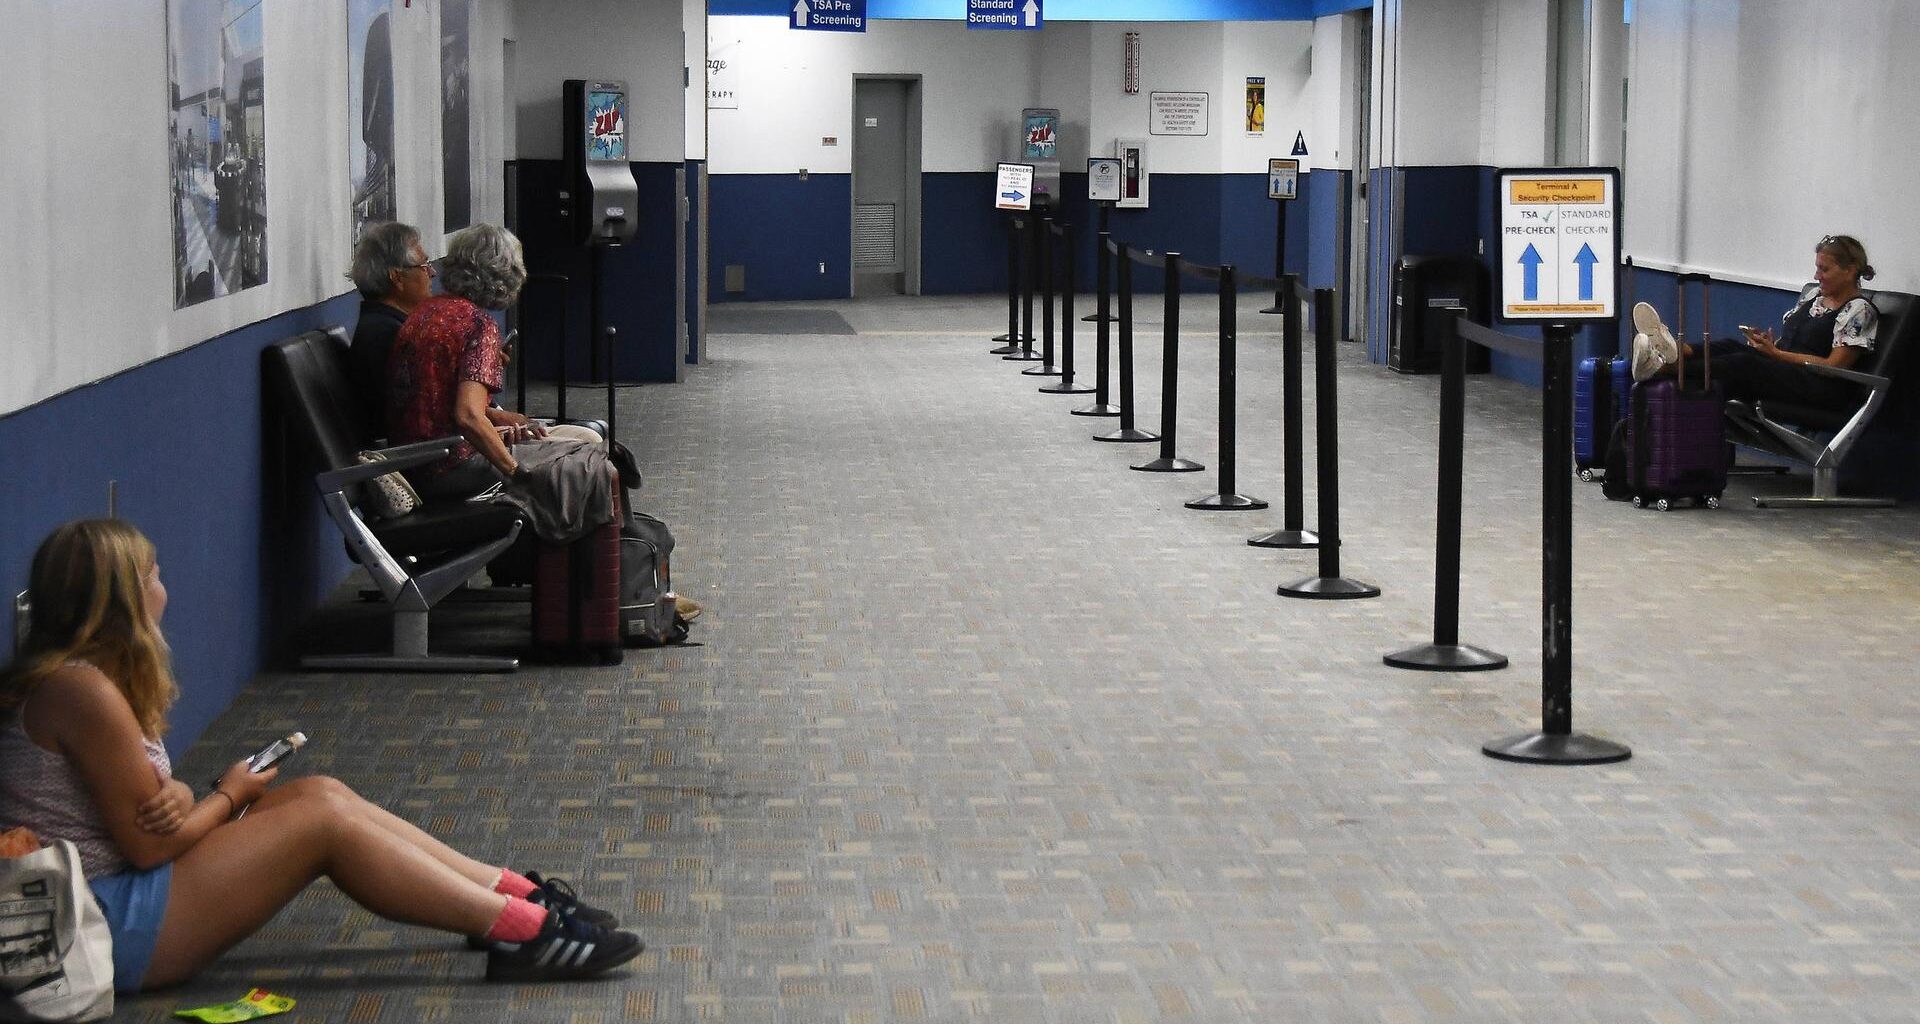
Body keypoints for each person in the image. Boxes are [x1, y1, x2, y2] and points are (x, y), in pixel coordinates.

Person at [0, 520, 645, 992]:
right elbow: (148, 847)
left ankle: (513, 895)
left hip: (116, 896)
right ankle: (522, 932)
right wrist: (228, 795)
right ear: (125, 600)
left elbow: (142, 813)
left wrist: (190, 796)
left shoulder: (82, 680)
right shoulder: (82, 691)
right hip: (100, 925)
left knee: (321, 793)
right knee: (323, 825)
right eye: (154, 576)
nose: (164, 587)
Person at [1630, 236, 1880, 428]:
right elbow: (1793, 346)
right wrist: (1770, 346)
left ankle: (1664, 367)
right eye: (1817, 268)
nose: (1817, 276)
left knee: (1743, 363)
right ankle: (1676, 350)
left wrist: (1776, 354)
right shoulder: (1815, 296)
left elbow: (1834, 366)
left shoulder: (1859, 310)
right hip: (1790, 374)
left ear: (1850, 271)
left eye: (1824, 270)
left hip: (1821, 388)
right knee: (1731, 346)